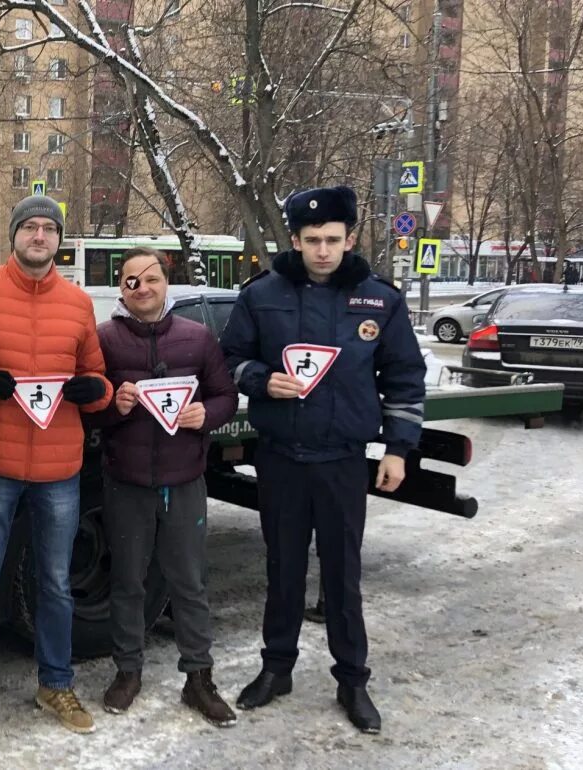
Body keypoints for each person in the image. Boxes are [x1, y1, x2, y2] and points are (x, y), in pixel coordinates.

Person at [220, 185, 426, 734]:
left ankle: (352, 681)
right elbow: (230, 358)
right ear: (295, 239)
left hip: (342, 458)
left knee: (342, 573)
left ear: (350, 238)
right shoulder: (262, 293)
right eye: (312, 240)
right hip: (281, 457)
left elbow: (404, 376)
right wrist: (263, 382)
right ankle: (277, 668)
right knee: (282, 568)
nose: (323, 251)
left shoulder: (379, 298)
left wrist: (399, 450)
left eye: (334, 240)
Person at [0, 195, 113, 741]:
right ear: (13, 235)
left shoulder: (79, 304)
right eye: (30, 227)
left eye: (49, 229)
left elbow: (98, 378)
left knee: (57, 584)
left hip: (60, 466)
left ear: (59, 240)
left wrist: (95, 392)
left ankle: (55, 683)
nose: (39, 236)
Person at [90, 247, 239, 726]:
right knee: (127, 582)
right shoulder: (106, 340)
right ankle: (127, 671)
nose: (142, 288)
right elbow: (91, 408)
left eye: (150, 278)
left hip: (184, 480)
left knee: (189, 583)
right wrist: (117, 404)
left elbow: (226, 396)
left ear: (165, 281)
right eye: (131, 281)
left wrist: (206, 415)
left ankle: (199, 678)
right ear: (121, 290)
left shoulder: (197, 339)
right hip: (126, 482)